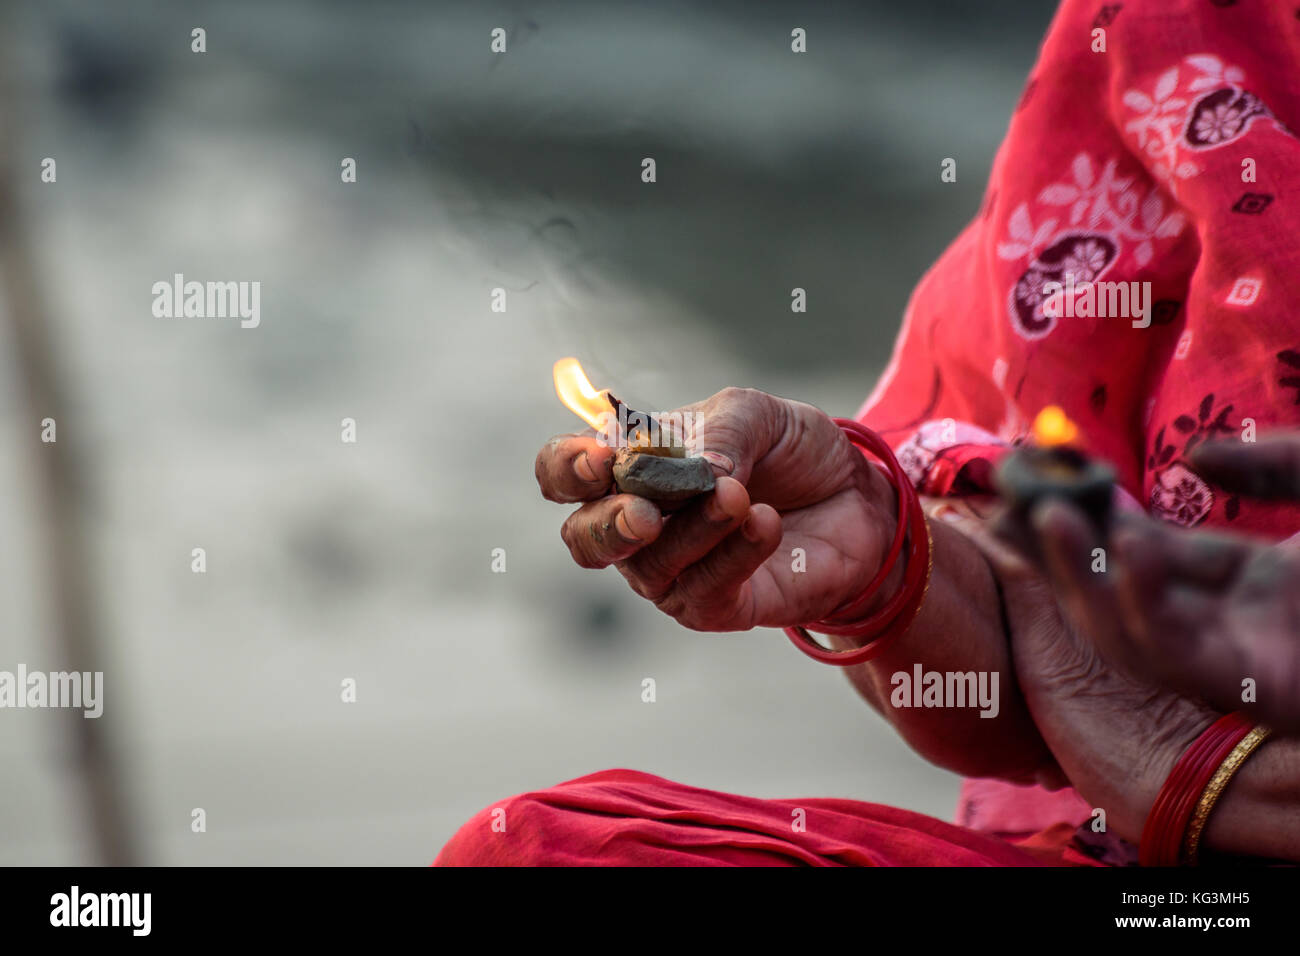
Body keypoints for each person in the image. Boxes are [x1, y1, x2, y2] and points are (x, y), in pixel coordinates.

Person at [437, 0, 1300, 865]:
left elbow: (1109, 709)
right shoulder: (1179, 27)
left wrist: (1170, 759)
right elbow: (1038, 683)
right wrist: (879, 546)